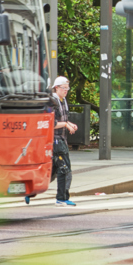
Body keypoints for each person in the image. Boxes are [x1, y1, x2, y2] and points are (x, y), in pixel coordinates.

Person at [45, 76, 78, 207]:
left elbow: (63, 119)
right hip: (55, 140)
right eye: (64, 88)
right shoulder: (53, 102)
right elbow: (51, 123)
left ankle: (30, 191)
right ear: (56, 87)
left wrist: (70, 124)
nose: (66, 91)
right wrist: (65, 124)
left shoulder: (63, 100)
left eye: (67, 88)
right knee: (65, 168)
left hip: (61, 139)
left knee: (52, 171)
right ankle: (62, 198)